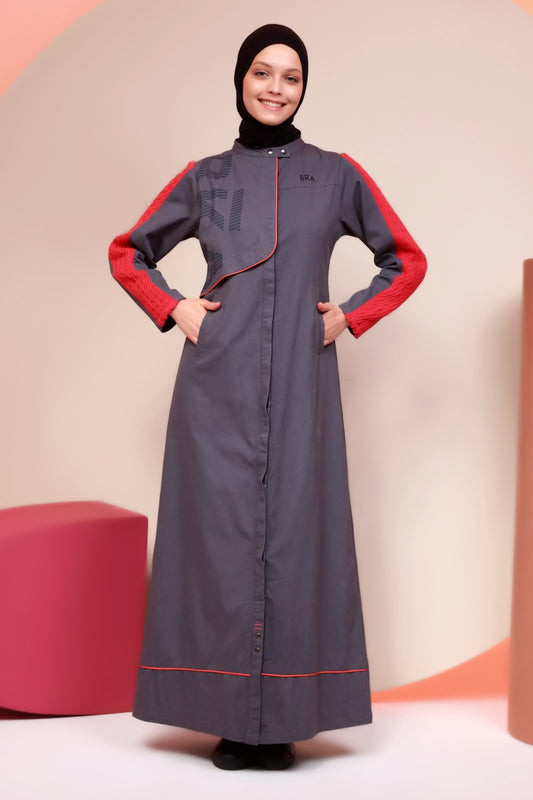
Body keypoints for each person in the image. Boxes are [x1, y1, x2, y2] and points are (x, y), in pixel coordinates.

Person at [109, 24, 426, 770]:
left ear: (303, 88)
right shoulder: (205, 177)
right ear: (240, 80)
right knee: (216, 542)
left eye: (290, 76)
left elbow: (405, 260)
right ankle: (226, 719)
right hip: (214, 389)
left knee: (295, 539)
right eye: (262, 72)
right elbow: (129, 253)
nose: (275, 88)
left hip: (303, 389)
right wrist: (175, 307)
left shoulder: (337, 175)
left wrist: (350, 316)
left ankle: (278, 720)